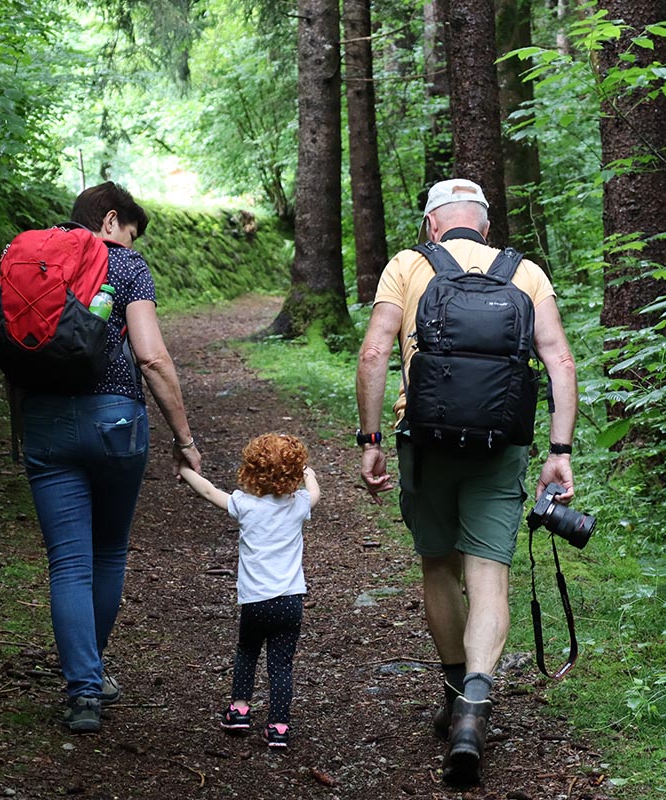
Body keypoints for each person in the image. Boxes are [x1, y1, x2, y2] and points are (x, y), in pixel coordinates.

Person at [355, 178, 579, 785]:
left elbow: (376, 352)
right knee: (489, 574)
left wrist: (371, 439)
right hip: (499, 446)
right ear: (484, 226)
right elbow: (558, 359)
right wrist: (558, 450)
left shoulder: (407, 264)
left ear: (433, 225)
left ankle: (455, 691)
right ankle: (475, 709)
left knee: (438, 567)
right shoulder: (525, 273)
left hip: (422, 439)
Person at [23, 181, 202, 734]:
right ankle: (91, 671)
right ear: (109, 221)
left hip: (45, 421)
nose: (127, 241)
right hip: (115, 421)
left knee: (68, 562)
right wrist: (184, 438)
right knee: (106, 554)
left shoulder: (33, 261)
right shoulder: (125, 266)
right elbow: (151, 357)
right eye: (127, 230)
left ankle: (83, 690)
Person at [178, 433, 321, 749]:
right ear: (294, 472)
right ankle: (279, 727)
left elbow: (208, 490)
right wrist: (309, 476)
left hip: (255, 602)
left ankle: (240, 709)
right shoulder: (298, 505)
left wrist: (185, 470)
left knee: (247, 651)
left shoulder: (245, 505)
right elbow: (315, 494)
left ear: (251, 470)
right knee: (281, 664)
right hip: (290, 602)